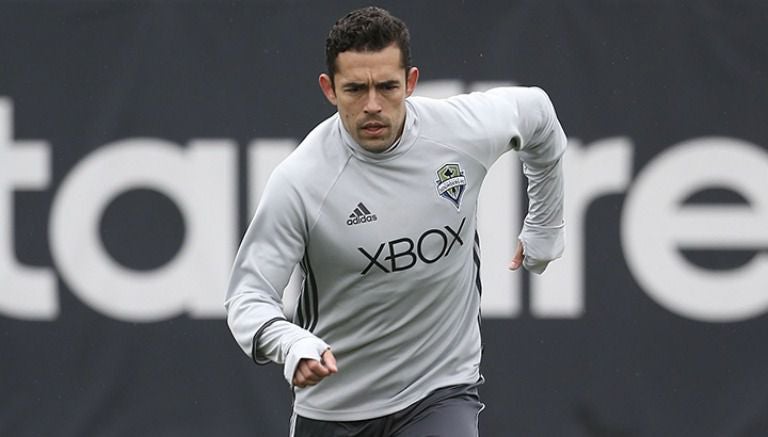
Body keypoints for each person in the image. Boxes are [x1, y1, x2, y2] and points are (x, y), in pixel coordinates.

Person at [225, 6, 566, 436]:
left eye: (387, 87)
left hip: (440, 390)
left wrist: (545, 225)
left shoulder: (460, 130)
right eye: (354, 89)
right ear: (329, 89)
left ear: (411, 82)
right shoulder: (301, 181)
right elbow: (247, 298)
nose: (372, 105)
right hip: (336, 409)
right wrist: (291, 344)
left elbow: (537, 113)